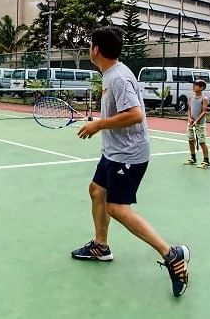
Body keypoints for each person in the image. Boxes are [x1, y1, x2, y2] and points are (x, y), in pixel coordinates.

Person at [74, 26, 189, 297]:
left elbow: (136, 115)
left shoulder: (118, 78)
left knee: (117, 208)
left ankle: (172, 255)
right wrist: (101, 125)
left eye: (90, 44)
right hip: (114, 152)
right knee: (96, 190)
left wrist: (99, 124)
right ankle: (100, 246)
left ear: (96, 50)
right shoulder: (111, 74)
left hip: (128, 155)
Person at [185, 79, 210, 168]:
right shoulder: (191, 97)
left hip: (200, 124)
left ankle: (206, 161)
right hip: (191, 123)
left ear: (201, 87)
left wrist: (196, 121)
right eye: (194, 84)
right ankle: (193, 158)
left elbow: (204, 112)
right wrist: (189, 118)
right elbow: (189, 109)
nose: (193, 86)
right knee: (191, 140)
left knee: (202, 142)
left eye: (196, 85)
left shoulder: (204, 99)